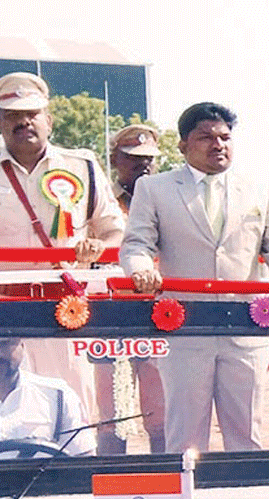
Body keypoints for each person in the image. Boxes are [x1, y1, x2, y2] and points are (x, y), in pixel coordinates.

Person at [0, 72, 123, 415]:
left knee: (72, 411)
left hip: (64, 312)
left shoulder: (83, 166)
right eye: (13, 116)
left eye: (32, 114)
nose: (24, 122)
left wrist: (99, 248)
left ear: (49, 120)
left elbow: (115, 230)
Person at [121, 101, 269, 454]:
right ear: (183, 145)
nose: (217, 144)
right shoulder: (154, 189)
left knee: (246, 434)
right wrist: (141, 270)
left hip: (245, 330)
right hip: (186, 328)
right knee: (184, 437)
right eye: (205, 137)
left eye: (225, 137)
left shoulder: (258, 190)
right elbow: (135, 244)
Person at [96, 124, 166, 455]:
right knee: (112, 418)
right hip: (111, 317)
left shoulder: (168, 198)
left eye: (149, 158)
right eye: (134, 159)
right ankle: (108, 488)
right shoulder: (100, 201)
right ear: (114, 160)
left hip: (161, 317)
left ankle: (170, 489)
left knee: (163, 417)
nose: (144, 165)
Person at [108, 124, 161, 214]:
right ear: (113, 160)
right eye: (135, 157)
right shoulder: (105, 201)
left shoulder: (166, 198)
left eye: (150, 157)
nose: (144, 163)